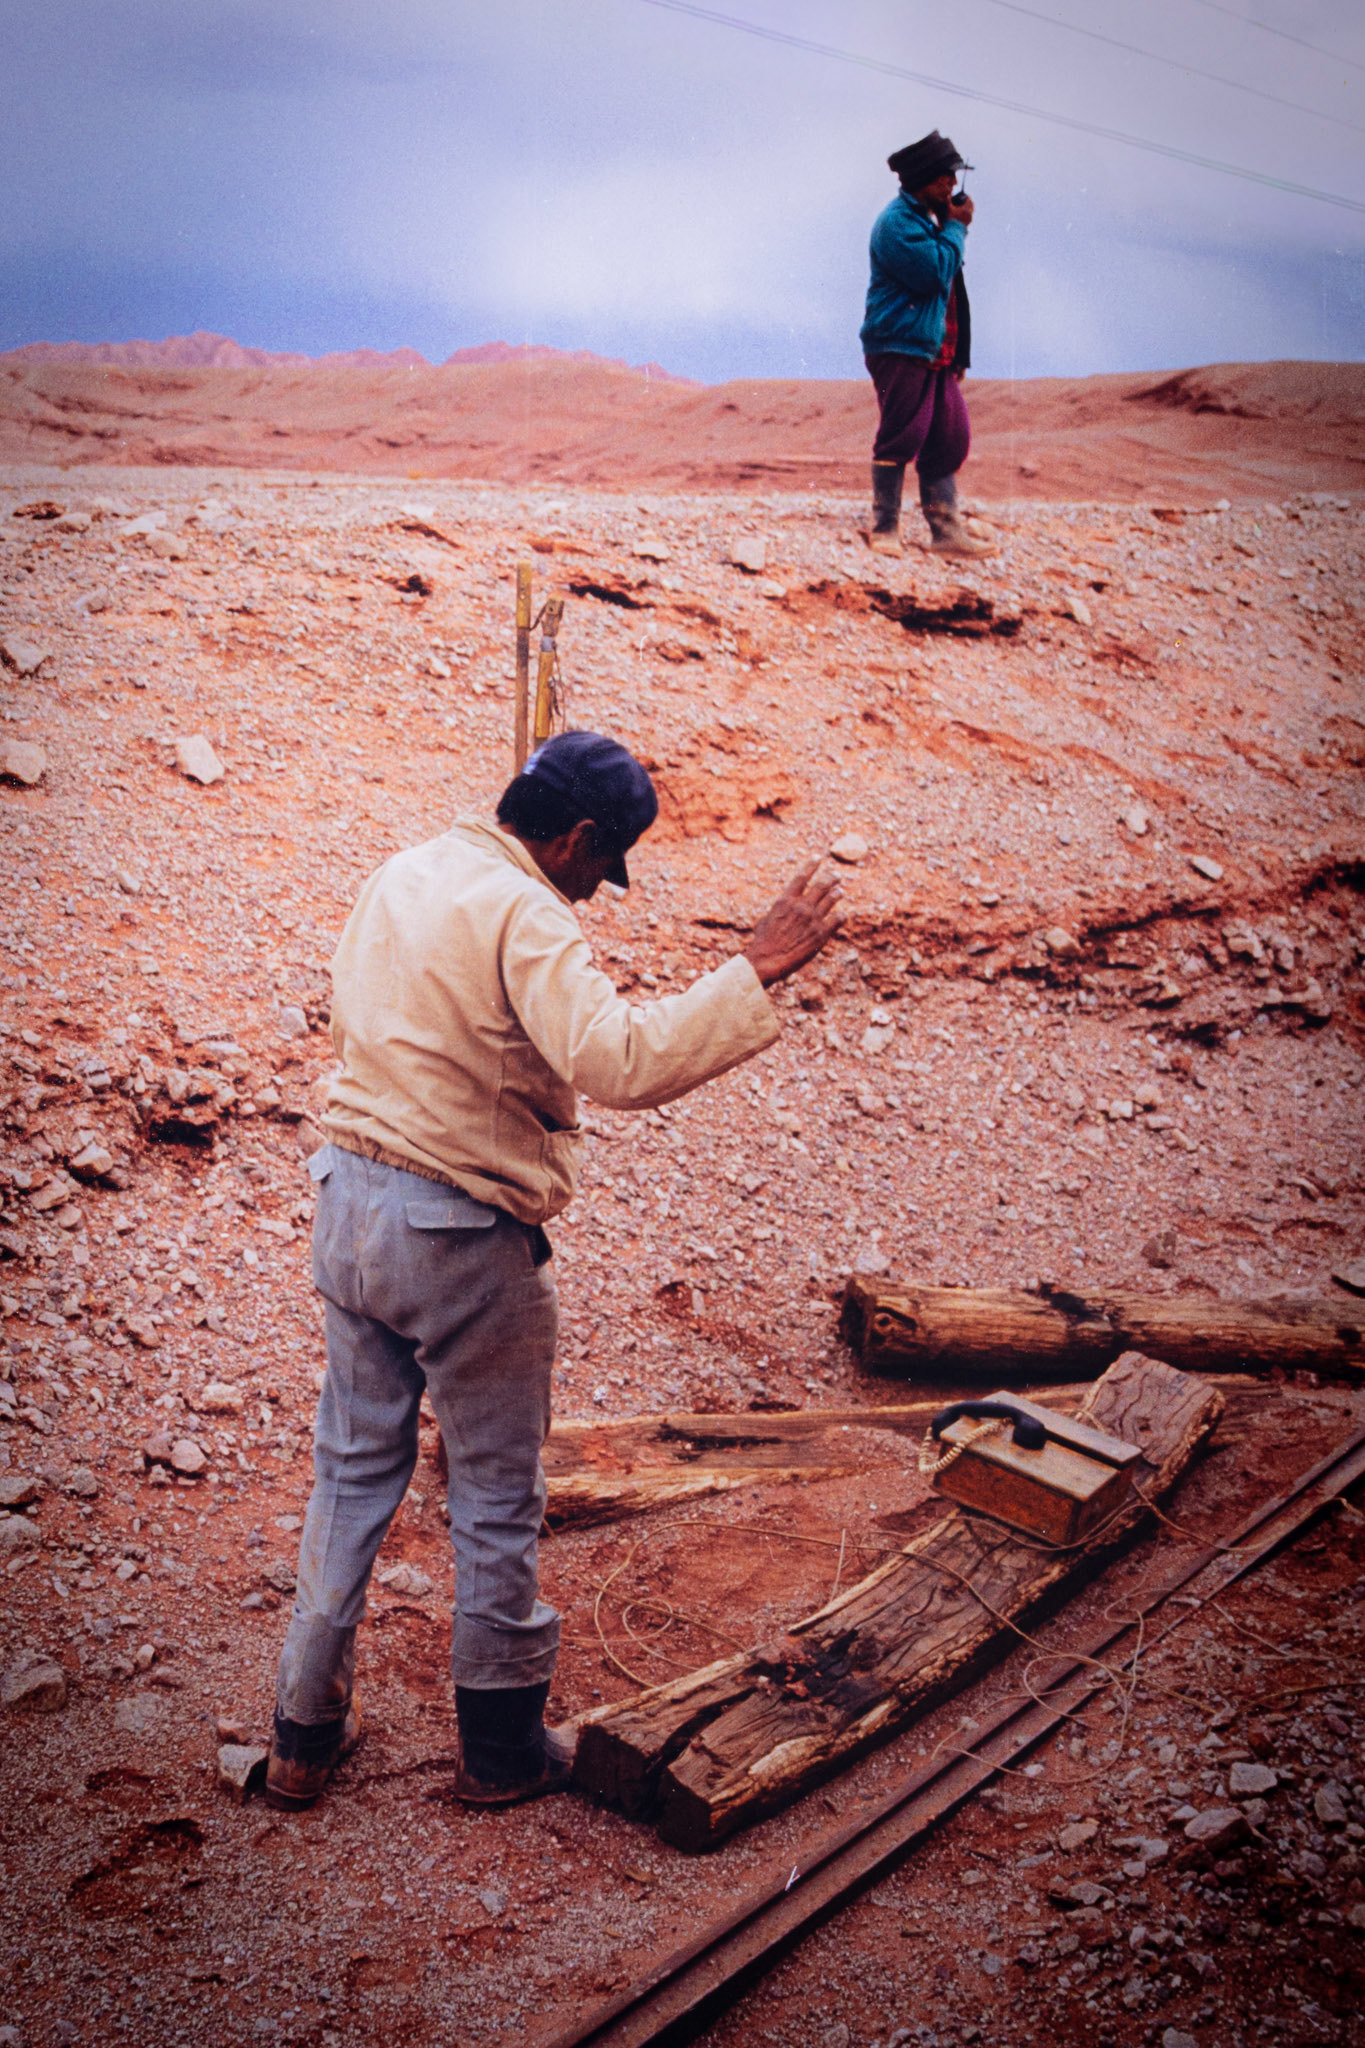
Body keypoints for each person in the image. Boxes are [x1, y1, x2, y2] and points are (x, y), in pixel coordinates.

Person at [265, 731, 844, 1811]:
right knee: (495, 1490)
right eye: (600, 863)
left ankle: (302, 1729)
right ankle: (499, 1749)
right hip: (456, 1232)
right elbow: (617, 1058)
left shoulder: (405, 868)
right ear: (576, 836)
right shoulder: (526, 908)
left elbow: (358, 1019)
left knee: (350, 1469)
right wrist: (754, 965)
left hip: (347, 1201)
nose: (594, 888)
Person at [860, 128, 994, 560]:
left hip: (933, 350)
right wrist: (957, 230)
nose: (952, 186)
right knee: (902, 434)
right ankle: (884, 528)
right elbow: (935, 273)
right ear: (924, 179)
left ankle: (947, 534)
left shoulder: (929, 220)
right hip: (900, 346)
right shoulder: (897, 224)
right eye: (945, 178)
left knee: (948, 435)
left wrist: (959, 353)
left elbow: (952, 292)